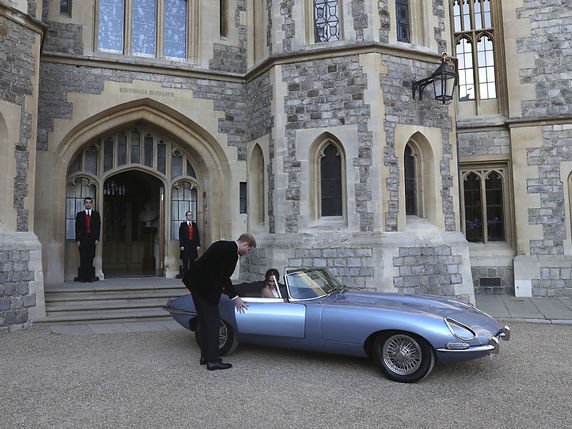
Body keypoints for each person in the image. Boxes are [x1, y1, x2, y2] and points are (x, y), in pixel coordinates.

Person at [182, 233, 256, 371]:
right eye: (249, 250)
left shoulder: (221, 245)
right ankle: (213, 361)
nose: (248, 253)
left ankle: (205, 356)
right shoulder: (231, 253)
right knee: (213, 325)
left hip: (196, 287)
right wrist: (235, 297)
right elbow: (224, 277)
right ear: (245, 244)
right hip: (206, 291)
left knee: (204, 323)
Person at [75, 197, 101, 282]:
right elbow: (77, 228)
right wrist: (78, 240)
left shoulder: (96, 214)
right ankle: (83, 277)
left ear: (92, 204)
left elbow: (98, 227)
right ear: (84, 204)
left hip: (92, 238)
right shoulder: (80, 215)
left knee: (90, 257)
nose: (88, 204)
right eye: (86, 202)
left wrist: (97, 238)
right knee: (83, 257)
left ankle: (90, 277)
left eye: (90, 202)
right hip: (83, 238)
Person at [179, 210, 201, 275]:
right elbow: (181, 236)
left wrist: (198, 245)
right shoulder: (183, 225)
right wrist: (181, 245)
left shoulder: (194, 225)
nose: (190, 216)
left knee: (192, 260)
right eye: (188, 215)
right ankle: (186, 274)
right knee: (185, 260)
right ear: (186, 216)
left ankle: (191, 275)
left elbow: (197, 235)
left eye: (191, 215)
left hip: (193, 245)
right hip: (185, 245)